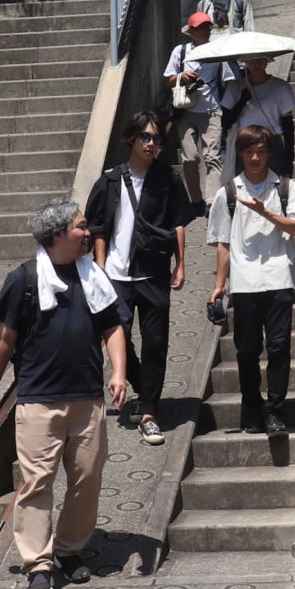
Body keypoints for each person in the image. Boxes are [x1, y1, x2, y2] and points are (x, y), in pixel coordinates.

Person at [0, 198, 128, 589]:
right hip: (39, 400)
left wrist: (118, 372)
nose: (88, 232)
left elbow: (113, 326)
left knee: (87, 479)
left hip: (87, 398)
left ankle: (67, 549)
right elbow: (4, 340)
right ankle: (38, 566)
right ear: (59, 234)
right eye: (81, 226)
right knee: (37, 484)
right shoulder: (24, 279)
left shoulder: (93, 274)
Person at [83, 111, 194, 447]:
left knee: (156, 342)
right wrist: (100, 269)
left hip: (154, 272)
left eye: (156, 139)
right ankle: (145, 391)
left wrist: (181, 265)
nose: (151, 144)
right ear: (131, 138)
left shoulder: (168, 179)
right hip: (116, 275)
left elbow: (178, 223)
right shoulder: (110, 180)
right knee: (117, 337)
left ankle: (148, 413)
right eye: (145, 137)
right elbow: (98, 228)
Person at [206, 123, 295, 437]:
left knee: (278, 348)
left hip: (279, 277)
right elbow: (223, 243)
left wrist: (266, 213)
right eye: (249, 151)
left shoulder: (286, 188)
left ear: (269, 153)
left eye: (260, 151)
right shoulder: (228, 193)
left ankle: (275, 412)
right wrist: (219, 285)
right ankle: (252, 407)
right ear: (240, 153)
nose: (254, 158)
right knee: (247, 350)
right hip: (245, 281)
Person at [164, 12, 230, 205]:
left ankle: (211, 202)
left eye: (207, 26)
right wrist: (181, 76)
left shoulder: (218, 52)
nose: (205, 30)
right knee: (189, 158)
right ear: (191, 31)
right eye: (200, 27)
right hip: (185, 110)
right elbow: (168, 80)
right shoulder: (181, 51)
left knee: (212, 157)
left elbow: (228, 80)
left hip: (212, 110)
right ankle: (195, 201)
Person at [221, 51, 295, 176]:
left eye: (261, 60)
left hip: (272, 142)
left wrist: (289, 157)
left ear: (267, 61)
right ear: (246, 62)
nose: (256, 64)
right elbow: (226, 122)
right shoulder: (235, 86)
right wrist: (242, 101)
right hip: (245, 142)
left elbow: (288, 124)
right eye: (252, 60)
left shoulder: (280, 86)